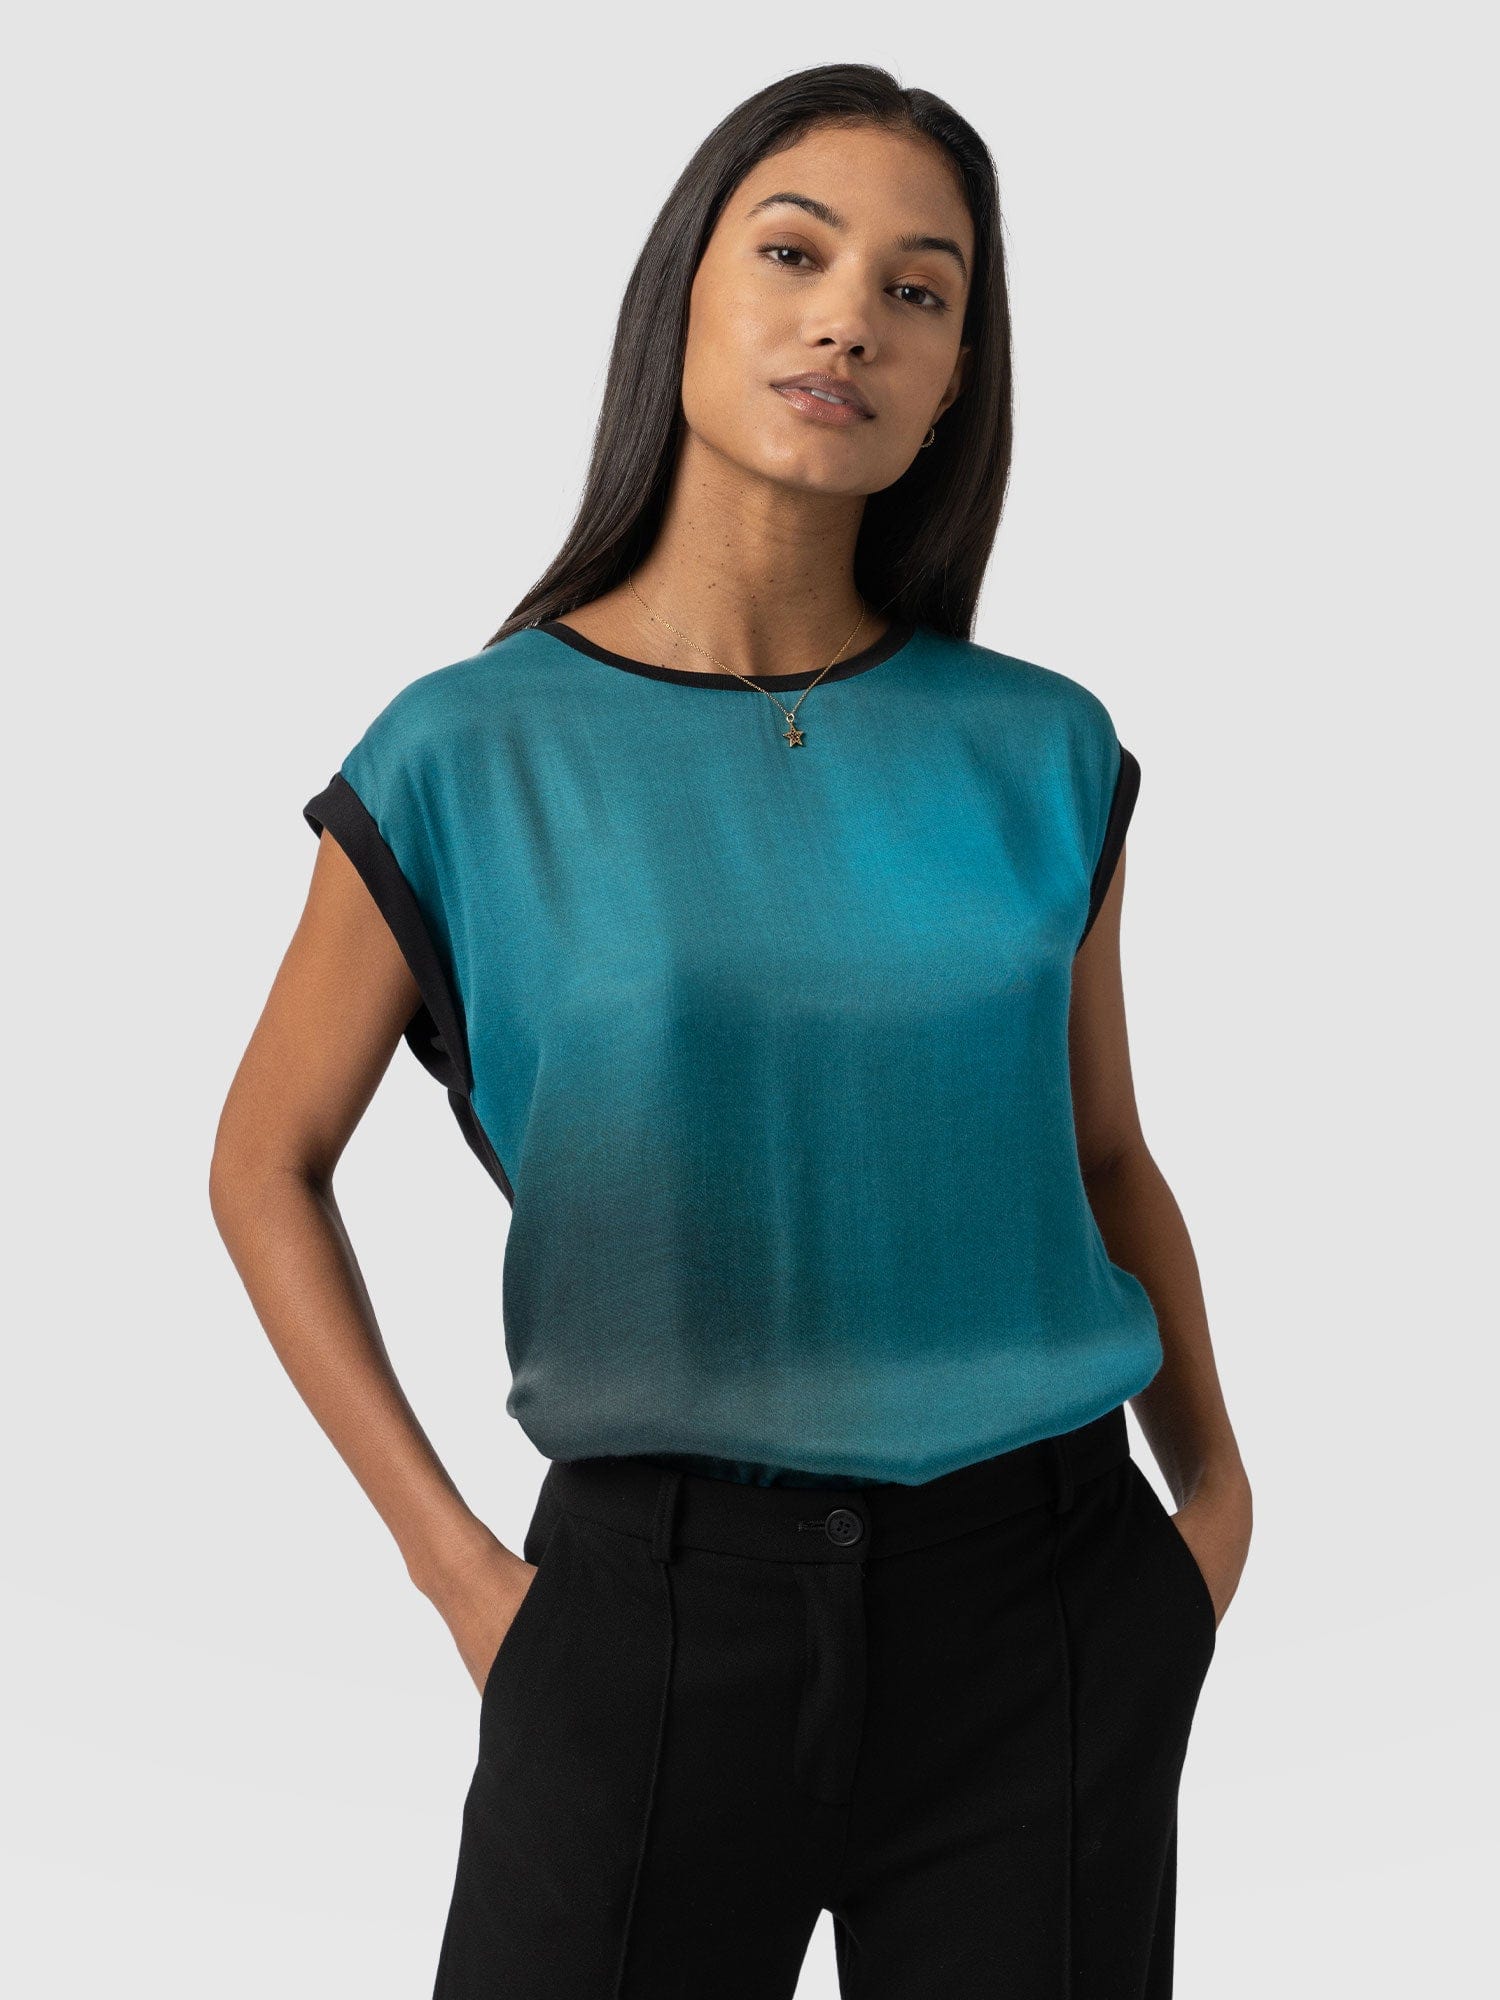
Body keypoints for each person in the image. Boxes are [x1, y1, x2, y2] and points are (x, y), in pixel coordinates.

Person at [209, 60, 1253, 2000]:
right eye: (796, 253)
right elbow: (263, 1162)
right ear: (682, 285)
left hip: (1045, 1611)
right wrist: (463, 1576)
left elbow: (1105, 1154)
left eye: (920, 290)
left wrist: (1215, 1511)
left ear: (954, 378)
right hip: (650, 1619)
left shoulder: (1042, 750)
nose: (852, 318)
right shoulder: (464, 752)